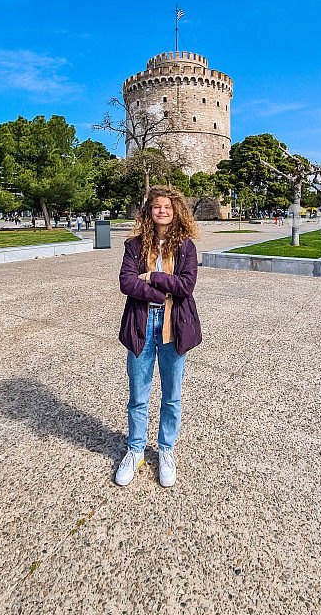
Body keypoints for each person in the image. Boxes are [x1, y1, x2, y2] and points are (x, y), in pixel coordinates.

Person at [116, 186, 201, 489]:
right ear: (148, 211)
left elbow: (187, 286)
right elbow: (126, 283)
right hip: (142, 323)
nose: (162, 211)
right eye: (156, 207)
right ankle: (136, 450)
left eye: (167, 207)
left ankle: (165, 450)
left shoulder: (186, 247)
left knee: (172, 395)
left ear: (176, 210)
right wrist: (167, 289)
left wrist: (152, 277)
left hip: (172, 326)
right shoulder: (134, 245)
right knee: (138, 395)